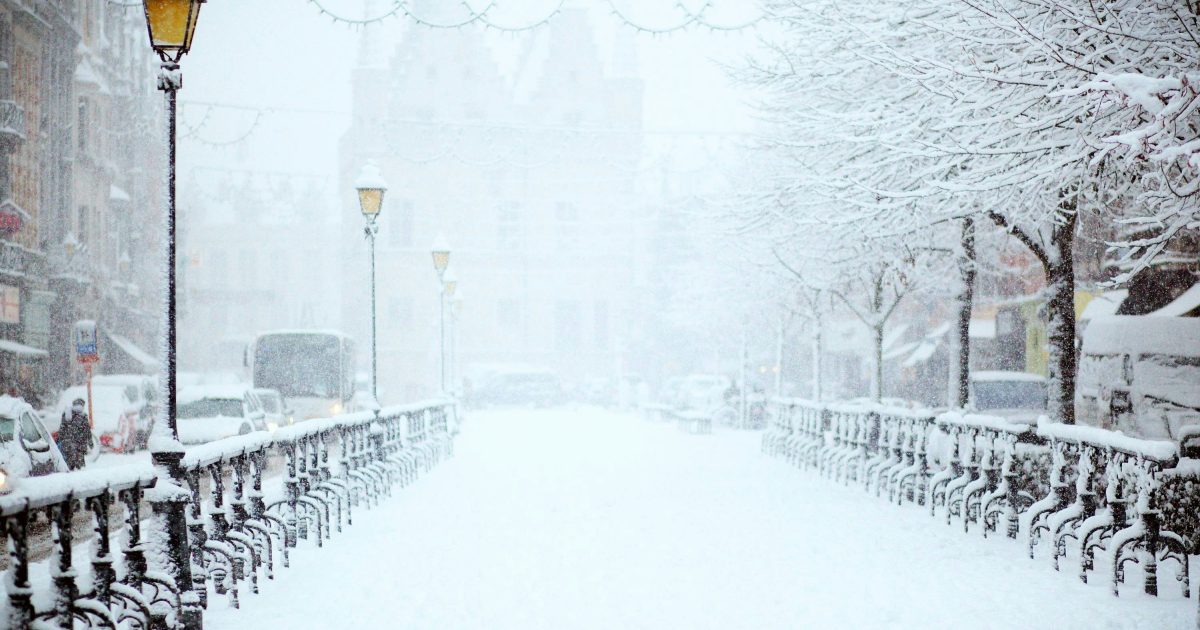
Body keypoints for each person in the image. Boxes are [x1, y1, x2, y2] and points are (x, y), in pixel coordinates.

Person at [58, 398, 92, 470]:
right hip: (80, 445)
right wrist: (90, 442)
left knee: (69, 465)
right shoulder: (83, 415)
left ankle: (70, 477)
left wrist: (61, 440)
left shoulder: (66, 414)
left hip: (68, 445)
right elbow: (87, 431)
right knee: (81, 467)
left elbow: (62, 429)